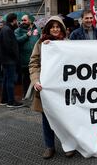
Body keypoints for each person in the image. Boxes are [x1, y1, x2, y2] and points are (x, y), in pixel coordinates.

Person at [29, 16, 75, 159]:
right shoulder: (41, 43)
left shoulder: (68, 44)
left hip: (64, 89)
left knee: (66, 118)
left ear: (62, 29)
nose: (55, 29)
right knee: (47, 119)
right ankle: (49, 146)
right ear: (48, 28)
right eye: (52, 27)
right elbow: (34, 63)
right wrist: (35, 80)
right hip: (46, 89)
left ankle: (68, 145)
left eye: (57, 26)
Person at [0, 13, 23, 108]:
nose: (17, 22)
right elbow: (9, 46)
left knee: (6, 80)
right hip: (9, 59)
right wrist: (15, 56)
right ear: (13, 20)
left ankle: (4, 100)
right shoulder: (7, 30)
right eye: (16, 20)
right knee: (10, 80)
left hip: (5, 59)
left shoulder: (5, 29)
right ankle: (11, 101)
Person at [15, 14, 41, 97]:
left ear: (30, 20)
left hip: (36, 58)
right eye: (22, 20)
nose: (23, 22)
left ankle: (35, 94)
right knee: (26, 77)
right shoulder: (18, 31)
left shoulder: (36, 29)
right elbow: (17, 41)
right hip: (25, 59)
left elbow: (41, 39)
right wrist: (26, 36)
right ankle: (26, 94)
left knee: (36, 76)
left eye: (25, 20)